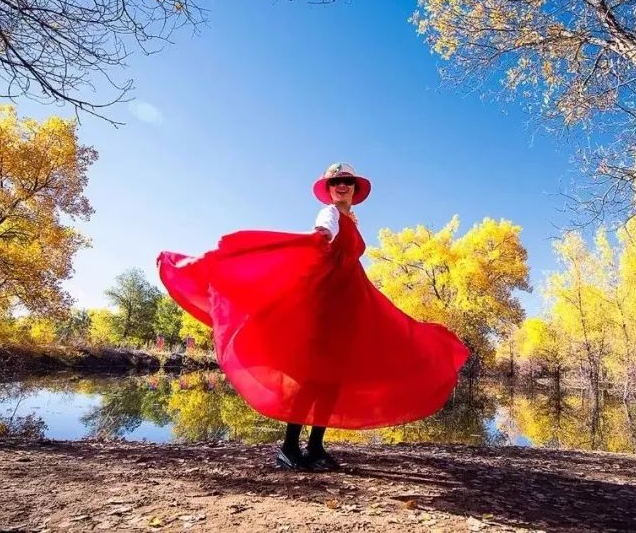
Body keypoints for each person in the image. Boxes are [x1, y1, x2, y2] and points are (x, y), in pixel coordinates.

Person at [158, 163, 469, 471]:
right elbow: (323, 232)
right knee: (312, 378)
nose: (341, 185)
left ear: (355, 188)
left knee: (332, 379)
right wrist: (319, 235)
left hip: (348, 307)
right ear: (329, 189)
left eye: (347, 180)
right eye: (336, 182)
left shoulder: (350, 219)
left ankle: (316, 447)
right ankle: (289, 448)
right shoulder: (330, 214)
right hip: (326, 307)